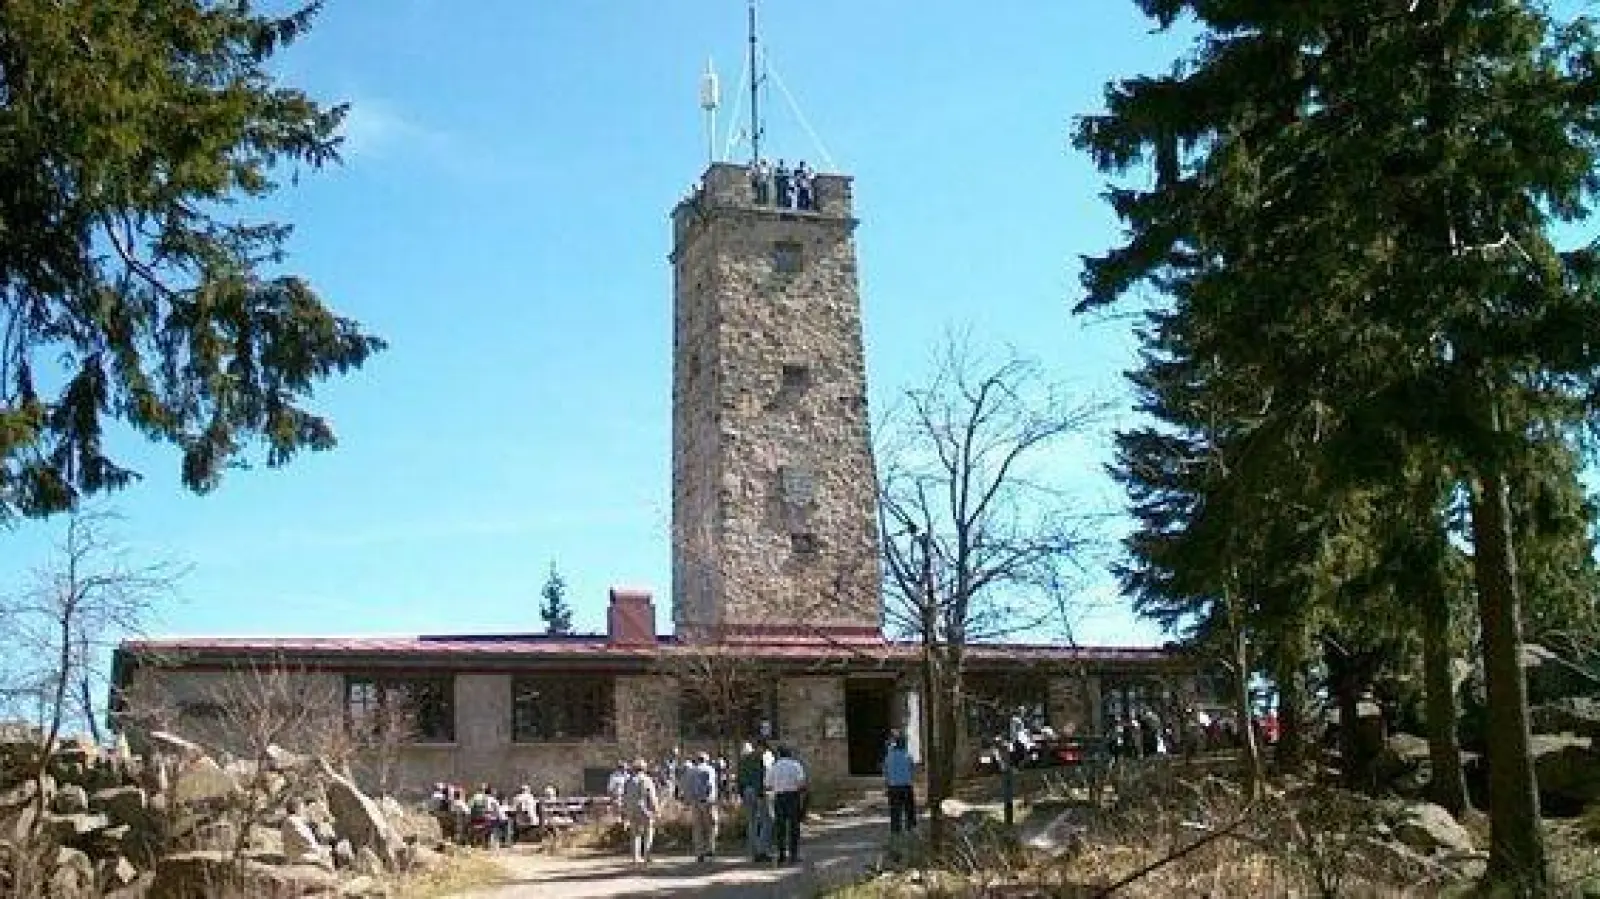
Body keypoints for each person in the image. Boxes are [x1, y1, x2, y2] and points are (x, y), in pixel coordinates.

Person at [765, 745, 807, 865]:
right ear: (790, 754)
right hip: (793, 796)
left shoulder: (774, 767)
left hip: (779, 797)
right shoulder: (796, 765)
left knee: (780, 826)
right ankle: (793, 854)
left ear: (779, 754)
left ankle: (781, 854)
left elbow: (768, 784)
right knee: (794, 826)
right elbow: (801, 783)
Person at [737, 741, 772, 861]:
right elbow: (759, 777)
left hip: (746, 791)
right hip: (756, 791)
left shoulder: (743, 761)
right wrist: (761, 793)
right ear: (760, 748)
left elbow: (739, 779)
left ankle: (753, 851)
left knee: (751, 822)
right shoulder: (758, 759)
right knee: (767, 820)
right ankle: (762, 850)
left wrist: (741, 793)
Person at [684, 750, 720, 862]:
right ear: (706, 759)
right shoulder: (710, 770)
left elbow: (687, 787)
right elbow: (710, 785)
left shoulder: (691, 771)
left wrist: (688, 800)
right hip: (708, 801)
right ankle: (710, 848)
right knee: (711, 825)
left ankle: (699, 851)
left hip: (695, 801)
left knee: (697, 827)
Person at [622, 758, 659, 865]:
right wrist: (656, 809)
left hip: (631, 809)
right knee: (648, 832)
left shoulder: (628, 781)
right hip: (644, 809)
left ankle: (635, 857)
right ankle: (647, 856)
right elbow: (651, 796)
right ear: (644, 768)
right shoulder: (646, 780)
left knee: (635, 834)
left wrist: (625, 811)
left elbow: (624, 796)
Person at [883, 733, 917, 836]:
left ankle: (895, 830)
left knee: (895, 810)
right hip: (906, 786)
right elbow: (912, 770)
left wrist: (887, 785)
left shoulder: (889, 757)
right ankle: (910, 827)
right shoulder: (908, 756)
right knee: (909, 809)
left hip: (893, 787)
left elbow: (886, 772)